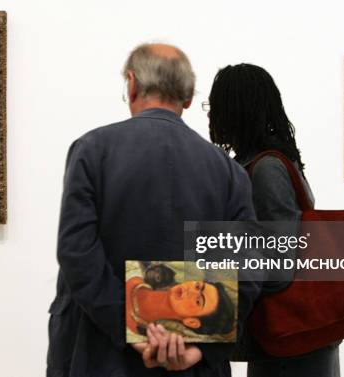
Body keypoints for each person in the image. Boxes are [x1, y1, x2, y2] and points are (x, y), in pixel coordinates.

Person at [48, 43, 257, 377]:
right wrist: (198, 350)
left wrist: (132, 329)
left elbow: (77, 253)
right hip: (191, 366)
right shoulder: (228, 171)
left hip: (100, 354)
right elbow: (244, 272)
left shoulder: (92, 151)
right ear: (188, 97)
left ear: (131, 84)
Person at [207, 63, 339, 377]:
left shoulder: (266, 169)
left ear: (237, 110)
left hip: (292, 339)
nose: (210, 116)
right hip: (291, 337)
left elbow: (280, 264)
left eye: (216, 107)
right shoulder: (270, 160)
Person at [126, 275, 235, 337]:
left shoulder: (137, 337)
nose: (191, 291)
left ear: (191, 322)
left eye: (198, 301)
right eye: (197, 286)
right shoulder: (133, 272)